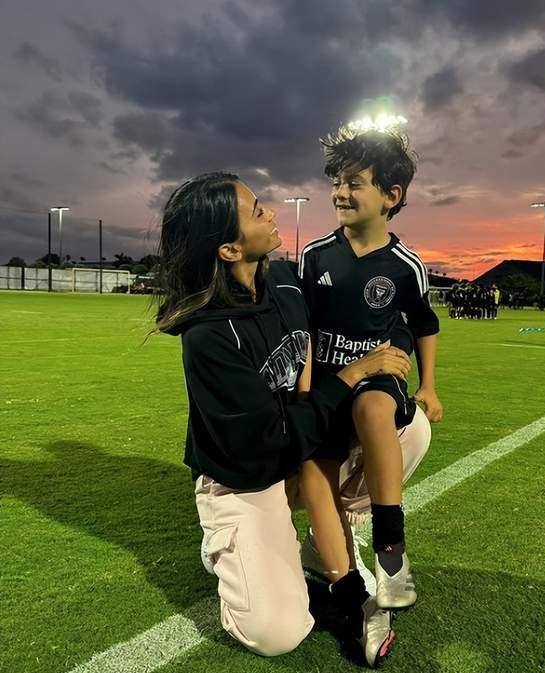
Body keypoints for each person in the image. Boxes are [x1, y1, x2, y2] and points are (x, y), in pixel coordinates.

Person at [153, 171, 430, 666]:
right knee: (276, 632)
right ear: (229, 250)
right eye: (257, 212)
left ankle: (320, 550)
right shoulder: (209, 338)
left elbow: (380, 323)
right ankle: (230, 545)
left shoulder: (283, 280)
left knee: (409, 430)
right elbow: (269, 440)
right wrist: (350, 376)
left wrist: (396, 352)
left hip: (294, 453)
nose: (273, 213)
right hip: (247, 476)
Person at [298, 128, 442, 611]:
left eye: (355, 182)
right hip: (327, 382)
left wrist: (430, 386)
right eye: (337, 181)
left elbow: (425, 324)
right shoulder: (314, 255)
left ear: (390, 196)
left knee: (378, 406)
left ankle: (391, 551)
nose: (341, 192)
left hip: (377, 375)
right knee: (319, 467)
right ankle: (324, 551)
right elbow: (302, 330)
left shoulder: (405, 265)